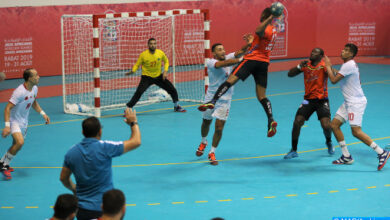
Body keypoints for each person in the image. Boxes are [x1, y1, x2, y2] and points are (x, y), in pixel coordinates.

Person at [198, 7, 279, 137]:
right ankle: (271, 119)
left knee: (230, 80)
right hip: (264, 63)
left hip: (252, 59)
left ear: (268, 16)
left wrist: (270, 17)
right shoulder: (275, 30)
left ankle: (212, 101)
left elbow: (258, 30)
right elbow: (262, 45)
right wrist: (251, 44)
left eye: (263, 14)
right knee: (262, 96)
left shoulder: (266, 27)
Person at [60, 108, 141, 220]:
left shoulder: (71, 152)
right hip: (104, 209)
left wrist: (74, 188)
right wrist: (133, 122)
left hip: (82, 209)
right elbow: (136, 141)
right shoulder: (105, 147)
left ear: (83, 132)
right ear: (100, 131)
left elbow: (63, 178)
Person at [324, 43, 389, 170]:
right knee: (334, 125)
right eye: (343, 49)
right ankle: (346, 156)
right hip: (348, 102)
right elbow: (338, 74)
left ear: (352, 54)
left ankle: (382, 152)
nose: (343, 51)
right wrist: (331, 67)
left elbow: (333, 80)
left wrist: (327, 65)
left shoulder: (348, 65)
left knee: (356, 132)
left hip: (355, 103)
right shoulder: (348, 65)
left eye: (346, 50)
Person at [196, 35, 253, 165]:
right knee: (206, 122)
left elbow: (240, 51)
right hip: (211, 98)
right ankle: (204, 141)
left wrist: (249, 43)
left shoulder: (229, 57)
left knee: (219, 128)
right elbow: (225, 64)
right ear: (214, 53)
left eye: (223, 49)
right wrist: (242, 59)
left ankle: (212, 152)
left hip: (225, 99)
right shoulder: (211, 62)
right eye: (219, 50)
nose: (223, 51)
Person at [284, 48, 334, 159]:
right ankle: (293, 150)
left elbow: (333, 76)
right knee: (297, 122)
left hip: (322, 100)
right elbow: (289, 74)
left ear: (321, 56)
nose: (312, 53)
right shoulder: (305, 64)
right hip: (307, 100)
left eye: (315, 52)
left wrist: (329, 67)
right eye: (312, 51)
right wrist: (298, 66)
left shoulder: (323, 66)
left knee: (326, 125)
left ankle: (329, 141)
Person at [1, 68, 50, 180]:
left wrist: (43, 113)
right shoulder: (19, 91)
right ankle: (3, 166)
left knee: (16, 146)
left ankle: (3, 162)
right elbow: (7, 108)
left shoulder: (34, 88)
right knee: (20, 142)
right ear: (29, 78)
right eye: (36, 75)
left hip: (24, 122)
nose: (39, 77)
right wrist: (7, 126)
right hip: (14, 121)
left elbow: (33, 102)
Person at [125, 38, 186, 112]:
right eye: (151, 44)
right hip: (147, 77)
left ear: (156, 44)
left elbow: (166, 61)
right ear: (148, 45)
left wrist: (165, 71)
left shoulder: (160, 53)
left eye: (154, 43)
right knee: (139, 92)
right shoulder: (143, 55)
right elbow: (137, 65)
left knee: (172, 89)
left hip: (159, 76)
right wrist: (133, 71)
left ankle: (176, 106)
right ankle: (128, 108)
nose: (153, 45)